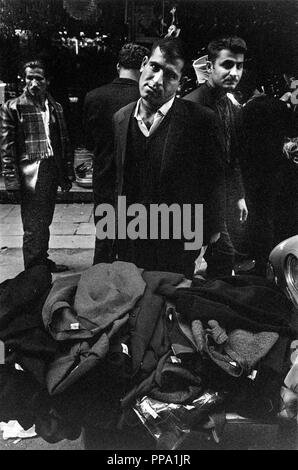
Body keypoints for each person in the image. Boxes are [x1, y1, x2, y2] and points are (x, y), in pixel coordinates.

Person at [100, 37, 225, 278]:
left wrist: (208, 236)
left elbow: (215, 179)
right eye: (155, 67)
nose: (157, 80)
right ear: (144, 65)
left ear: (180, 82)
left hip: (177, 240)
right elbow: (112, 179)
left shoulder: (201, 120)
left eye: (170, 75)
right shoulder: (120, 118)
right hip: (132, 238)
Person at [0, 60, 74, 272]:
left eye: (38, 78)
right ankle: (34, 270)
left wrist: (66, 173)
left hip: (50, 169)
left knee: (44, 220)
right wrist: (11, 180)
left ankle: (41, 260)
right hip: (29, 173)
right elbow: (7, 148)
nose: (33, 83)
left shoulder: (56, 107)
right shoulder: (12, 107)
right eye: (29, 78)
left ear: (47, 81)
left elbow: (62, 142)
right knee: (33, 226)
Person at [184, 36, 248, 277]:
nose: (234, 72)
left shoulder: (229, 105)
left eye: (239, 66)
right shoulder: (191, 106)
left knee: (223, 259)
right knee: (183, 266)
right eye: (227, 65)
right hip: (192, 206)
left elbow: (232, 156)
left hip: (216, 203)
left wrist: (239, 195)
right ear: (210, 67)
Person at [83, 43, 149, 264]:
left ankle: (98, 288)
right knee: (135, 242)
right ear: (144, 65)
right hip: (137, 181)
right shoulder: (147, 99)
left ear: (118, 66)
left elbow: (88, 141)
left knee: (104, 239)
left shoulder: (93, 97)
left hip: (104, 176)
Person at [241, 78, 298, 275]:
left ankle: (261, 264)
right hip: (279, 169)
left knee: (259, 219)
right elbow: (292, 131)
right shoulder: (279, 106)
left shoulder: (245, 111)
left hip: (254, 173)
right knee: (279, 216)